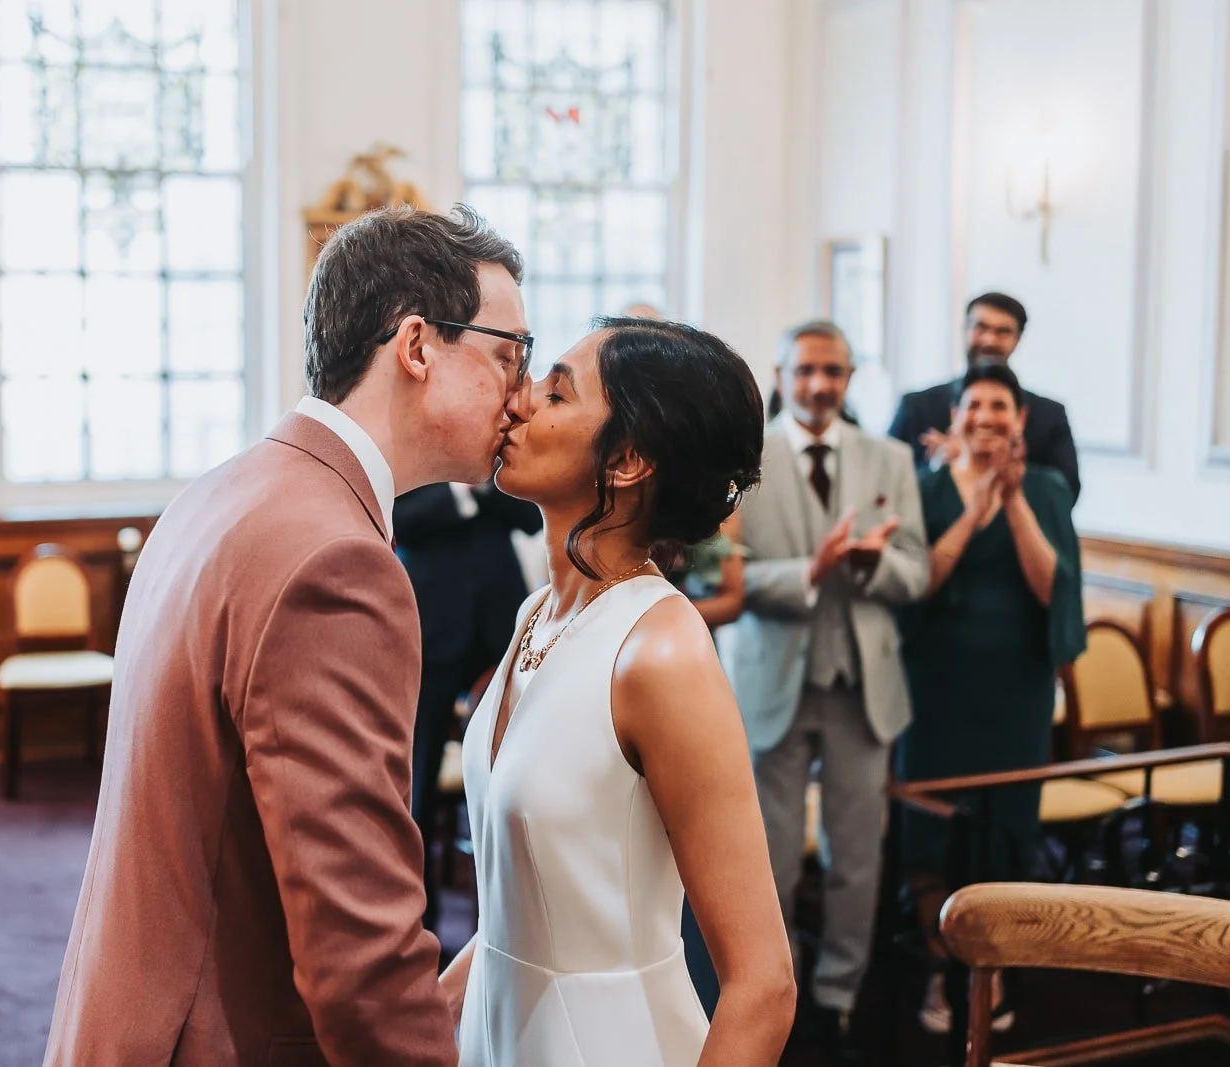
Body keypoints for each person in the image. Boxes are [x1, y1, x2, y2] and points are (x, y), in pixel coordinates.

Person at [46, 205, 528, 1067]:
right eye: (507, 355)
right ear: (417, 346)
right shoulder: (337, 561)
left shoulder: (223, 490)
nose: (521, 395)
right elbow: (360, 954)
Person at [442, 317, 796, 1066]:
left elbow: (763, 984)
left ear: (628, 459)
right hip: (498, 1031)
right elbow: (537, 896)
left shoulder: (661, 651)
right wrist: (440, 1004)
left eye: (556, 392)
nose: (517, 400)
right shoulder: (535, 614)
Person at [729, 321, 928, 1060]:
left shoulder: (892, 458)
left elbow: (919, 570)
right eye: (806, 370)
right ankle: (771, 995)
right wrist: (806, 573)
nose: (820, 384)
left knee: (858, 856)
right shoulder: (742, 458)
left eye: (834, 372)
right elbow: (721, 579)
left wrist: (876, 565)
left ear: (850, 378)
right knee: (766, 861)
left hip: (863, 687)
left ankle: (840, 994)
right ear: (781, 374)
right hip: (768, 684)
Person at [896, 361, 1085, 1033]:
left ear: (1020, 419)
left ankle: (993, 969)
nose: (986, 418)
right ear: (955, 416)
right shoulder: (921, 488)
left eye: (999, 407)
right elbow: (919, 582)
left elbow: (1051, 589)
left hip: (1016, 688)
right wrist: (971, 514)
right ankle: (940, 966)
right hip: (934, 685)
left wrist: (1011, 505)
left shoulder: (1049, 487)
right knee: (931, 830)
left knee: (1007, 828)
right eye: (973, 406)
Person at [393, 479, 542, 933]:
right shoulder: (415, 456)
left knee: (520, 772)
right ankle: (415, 922)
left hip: (500, 632)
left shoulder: (500, 460)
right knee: (413, 779)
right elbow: (400, 521)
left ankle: (512, 912)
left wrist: (486, 488)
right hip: (429, 631)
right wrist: (460, 493)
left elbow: (532, 519)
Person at [888, 292, 1080, 500]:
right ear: (965, 330)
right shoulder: (917, 406)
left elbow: (1068, 493)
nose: (989, 340)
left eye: (1002, 332)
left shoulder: (1049, 415)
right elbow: (885, 481)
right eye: (981, 327)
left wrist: (1005, 466)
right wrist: (940, 465)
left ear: (1017, 340)